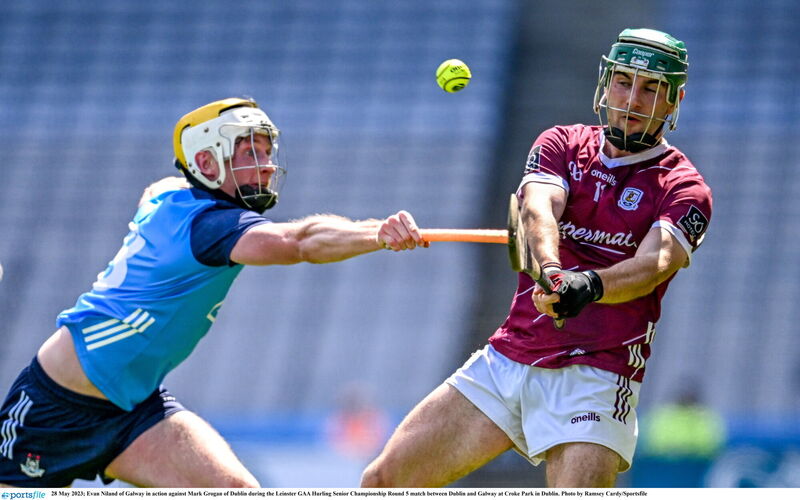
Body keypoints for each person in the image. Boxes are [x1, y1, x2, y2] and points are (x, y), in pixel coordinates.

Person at [0, 97, 427, 487]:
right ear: (206, 162)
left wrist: (375, 232)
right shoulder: (211, 228)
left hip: (135, 411)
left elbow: (158, 189)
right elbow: (300, 242)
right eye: (249, 153)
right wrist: (377, 234)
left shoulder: (176, 198)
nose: (264, 165)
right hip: (50, 408)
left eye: (266, 151)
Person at [362, 28, 713, 488]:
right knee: (382, 482)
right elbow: (538, 208)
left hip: (599, 373)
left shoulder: (685, 188)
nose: (633, 98)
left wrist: (586, 287)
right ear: (606, 83)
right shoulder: (562, 144)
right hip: (510, 356)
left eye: (652, 88)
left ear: (674, 100)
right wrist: (552, 272)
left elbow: (656, 263)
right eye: (624, 81)